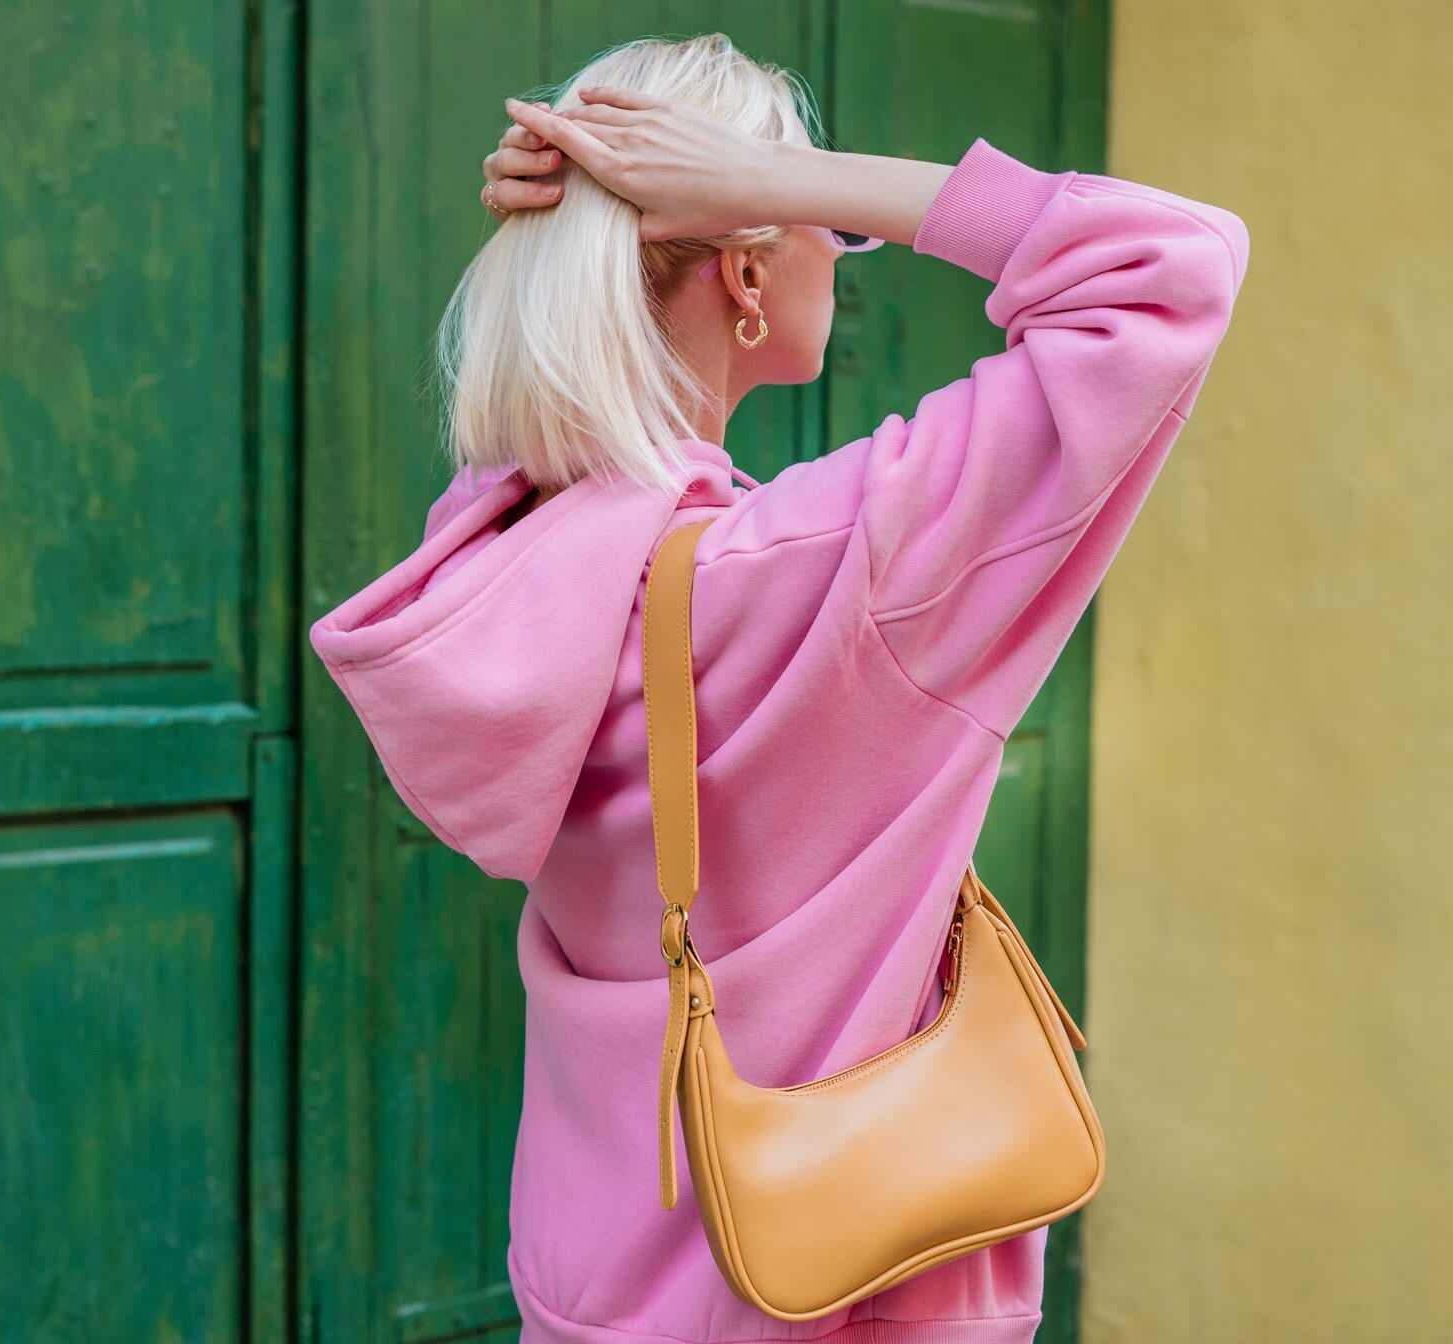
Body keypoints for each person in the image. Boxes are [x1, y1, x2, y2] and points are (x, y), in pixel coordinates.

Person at [309, 33, 1246, 1344]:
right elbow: (1173, 267)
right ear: (748, 263)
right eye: (820, 225)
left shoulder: (499, 556)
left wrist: (603, 212)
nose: (837, 252)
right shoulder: (830, 572)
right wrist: (796, 177)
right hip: (845, 1290)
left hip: (594, 1292)